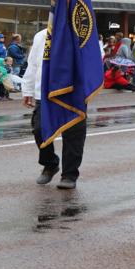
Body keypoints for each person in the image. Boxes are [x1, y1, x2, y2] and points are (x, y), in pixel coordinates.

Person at [21, 25, 86, 188]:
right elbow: (33, 65)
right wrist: (27, 90)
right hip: (45, 93)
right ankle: (50, 164)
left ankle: (69, 175)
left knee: (73, 135)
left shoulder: (82, 34)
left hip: (73, 93)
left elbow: (91, 64)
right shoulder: (41, 36)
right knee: (40, 130)